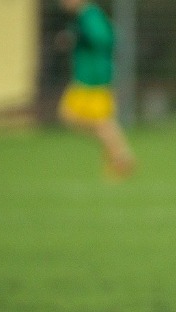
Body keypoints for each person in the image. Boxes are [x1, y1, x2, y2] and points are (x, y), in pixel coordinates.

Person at [57, 0, 135, 179]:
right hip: (86, 77)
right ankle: (119, 154)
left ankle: (121, 156)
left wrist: (78, 36)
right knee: (75, 118)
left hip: (94, 79)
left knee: (98, 122)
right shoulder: (83, 16)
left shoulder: (90, 15)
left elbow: (105, 38)